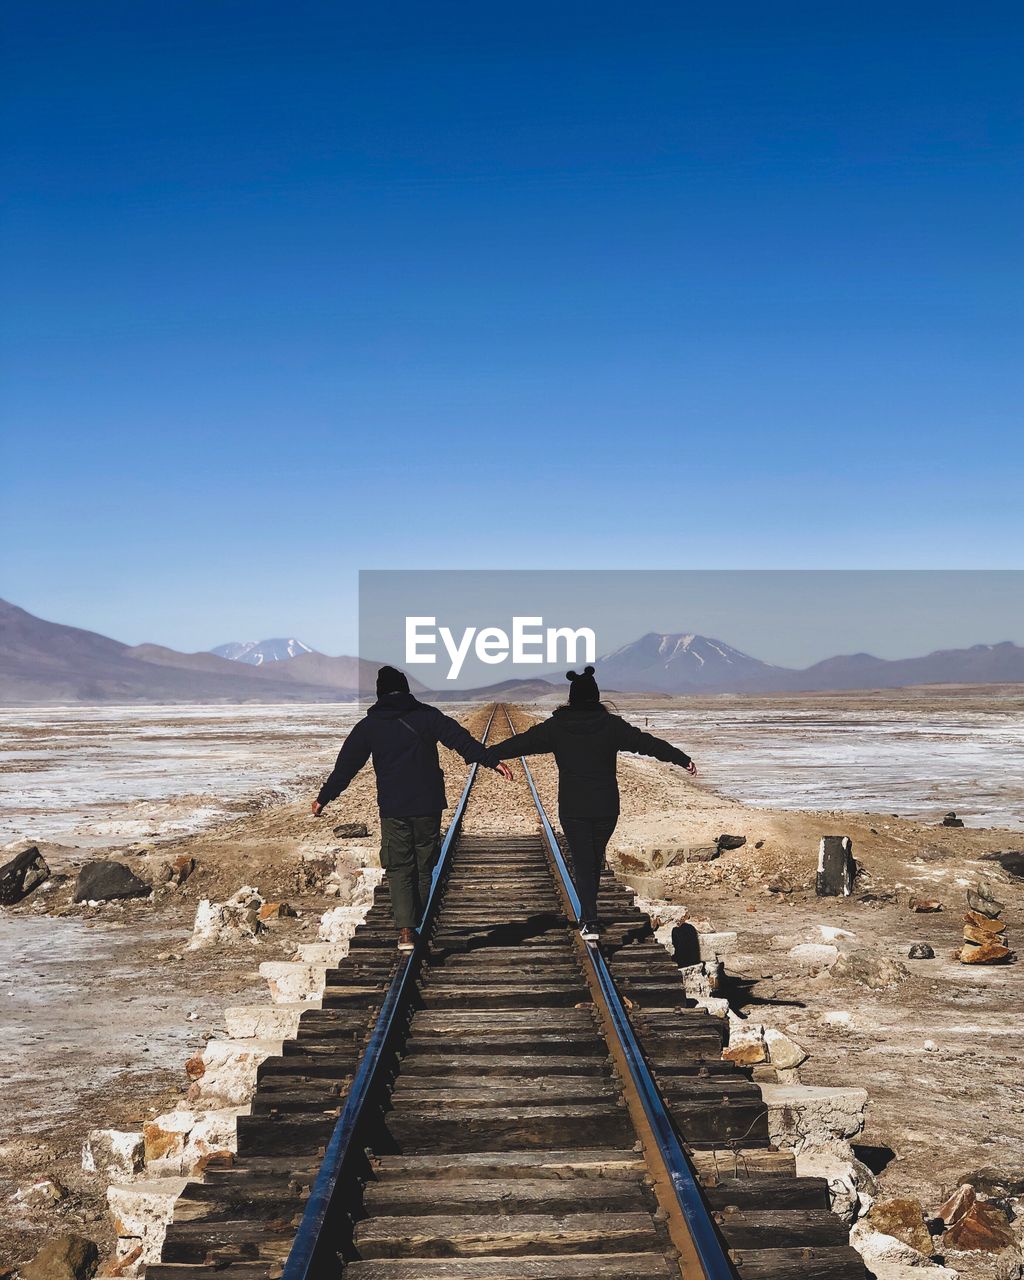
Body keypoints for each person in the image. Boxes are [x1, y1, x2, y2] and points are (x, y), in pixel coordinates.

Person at [484, 666, 697, 944]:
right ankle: (589, 916)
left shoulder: (556, 727)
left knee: (585, 861)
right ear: (596, 698)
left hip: (574, 807)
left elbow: (522, 743)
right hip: (606, 806)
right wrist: (680, 758)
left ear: (571, 698)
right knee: (592, 860)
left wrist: (488, 755)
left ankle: (590, 921)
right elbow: (647, 744)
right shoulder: (611, 726)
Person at [312, 665, 512, 951]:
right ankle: (417, 920)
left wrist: (324, 797)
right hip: (428, 803)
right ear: (406, 688)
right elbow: (461, 741)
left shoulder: (370, 725)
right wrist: (492, 761)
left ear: (380, 692)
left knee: (399, 865)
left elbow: (346, 766)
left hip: (394, 807)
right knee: (424, 864)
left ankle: (407, 930)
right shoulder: (427, 716)